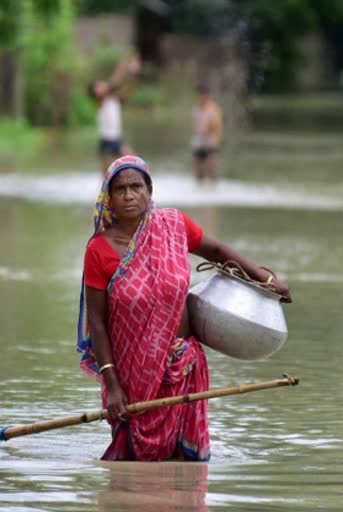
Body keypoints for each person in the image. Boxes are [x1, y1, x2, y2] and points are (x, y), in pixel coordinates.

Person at [77, 155, 291, 461]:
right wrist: (112, 386)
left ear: (149, 191)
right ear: (108, 197)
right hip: (131, 376)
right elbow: (96, 322)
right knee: (131, 461)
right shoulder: (98, 250)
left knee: (184, 469)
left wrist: (266, 278)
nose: (129, 195)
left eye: (136, 186)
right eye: (120, 188)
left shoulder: (173, 226)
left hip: (183, 366)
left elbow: (217, 251)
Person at [88, 55, 140, 174]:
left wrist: (134, 74)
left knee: (136, 164)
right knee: (107, 175)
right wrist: (123, 66)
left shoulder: (113, 98)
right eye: (99, 86)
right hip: (106, 141)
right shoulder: (99, 101)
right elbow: (113, 83)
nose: (102, 86)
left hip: (117, 139)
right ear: (94, 93)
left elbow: (129, 89)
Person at [192, 84, 223, 181]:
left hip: (211, 142)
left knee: (211, 169)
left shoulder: (214, 109)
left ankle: (213, 187)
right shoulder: (196, 109)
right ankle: (199, 188)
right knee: (198, 171)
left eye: (202, 95)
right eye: (199, 95)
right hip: (199, 142)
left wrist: (207, 128)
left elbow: (217, 126)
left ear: (207, 95)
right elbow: (195, 124)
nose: (200, 97)